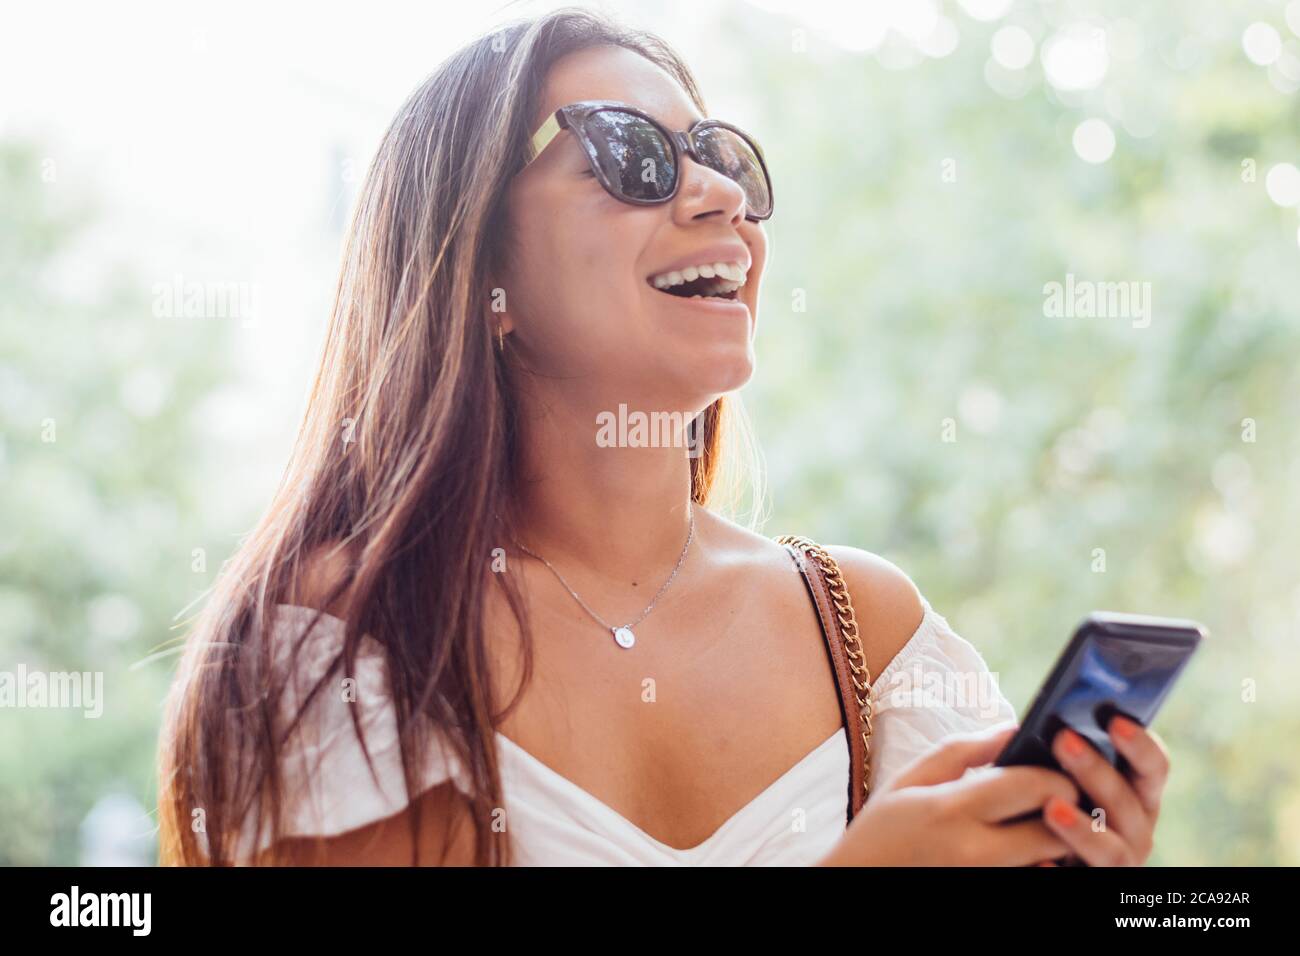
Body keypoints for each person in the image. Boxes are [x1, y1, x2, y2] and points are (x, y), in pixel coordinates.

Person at [158, 8, 1168, 867]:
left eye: (723, 156)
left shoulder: (871, 630)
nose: (722, 195)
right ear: (479, 271)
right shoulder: (343, 641)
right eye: (631, 156)